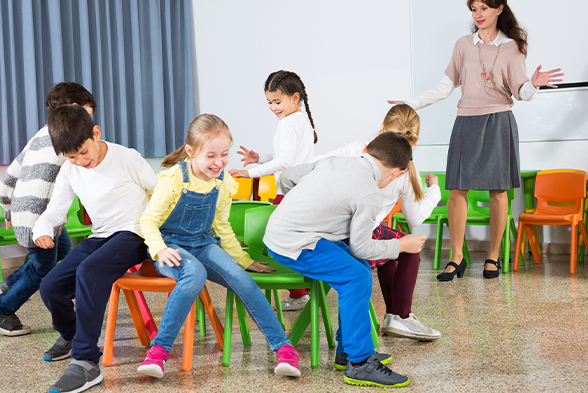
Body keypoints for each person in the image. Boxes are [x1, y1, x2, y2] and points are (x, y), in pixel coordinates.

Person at [388, 0, 563, 280]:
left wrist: (534, 83)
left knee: (498, 190)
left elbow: (522, 92)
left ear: (499, 9)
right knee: (457, 189)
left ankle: (493, 256)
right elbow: (445, 87)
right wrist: (410, 103)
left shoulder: (512, 47)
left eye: (483, 8)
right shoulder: (463, 44)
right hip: (466, 121)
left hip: (498, 121)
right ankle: (456, 257)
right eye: (473, 9)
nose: (478, 14)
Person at [138, 113, 301, 379]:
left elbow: (223, 227)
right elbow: (148, 220)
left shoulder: (223, 182)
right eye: (211, 156)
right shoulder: (173, 180)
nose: (219, 162)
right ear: (190, 151)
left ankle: (285, 349)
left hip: (203, 243)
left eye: (224, 154)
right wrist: (159, 250)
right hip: (170, 246)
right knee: (194, 274)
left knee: (243, 279)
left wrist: (244, 261)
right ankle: (158, 352)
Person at [264, 131, 428, 388]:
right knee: (356, 276)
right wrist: (401, 245)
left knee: (358, 267)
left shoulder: (337, 161)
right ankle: (360, 364)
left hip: (281, 233)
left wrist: (306, 203)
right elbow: (362, 246)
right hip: (293, 244)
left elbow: (285, 178)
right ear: (396, 173)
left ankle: (347, 350)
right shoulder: (369, 194)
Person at [35, 104, 157, 393]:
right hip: (100, 236)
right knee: (51, 286)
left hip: (134, 232)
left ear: (96, 133)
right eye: (71, 156)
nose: (79, 161)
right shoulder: (70, 170)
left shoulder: (126, 157)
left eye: (84, 152)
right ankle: (72, 334)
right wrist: (42, 228)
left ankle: (86, 363)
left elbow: (161, 191)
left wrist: (159, 237)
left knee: (90, 272)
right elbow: (55, 211)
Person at [315, 104, 441, 342]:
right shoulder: (407, 171)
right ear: (414, 142)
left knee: (390, 239)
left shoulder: (357, 149)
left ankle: (395, 316)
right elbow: (415, 218)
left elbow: (318, 163)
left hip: (324, 237)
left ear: (382, 128)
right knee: (408, 244)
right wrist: (434, 190)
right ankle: (400, 316)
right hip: (356, 243)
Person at [0, 82, 96, 337]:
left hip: (26, 211)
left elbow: (10, 174)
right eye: (88, 115)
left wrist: (7, 208)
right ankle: (0, 311)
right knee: (43, 268)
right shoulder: (69, 136)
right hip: (39, 215)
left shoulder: (40, 134)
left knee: (63, 249)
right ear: (75, 109)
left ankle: (9, 284)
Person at [228, 70, 317, 311]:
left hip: (289, 192)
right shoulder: (301, 120)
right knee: (297, 242)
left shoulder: (288, 123)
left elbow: (285, 162)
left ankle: (299, 293)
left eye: (277, 102)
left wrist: (249, 173)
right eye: (269, 102)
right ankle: (304, 290)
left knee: (279, 244)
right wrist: (261, 158)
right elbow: (287, 156)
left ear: (295, 98)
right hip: (302, 191)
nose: (272, 107)